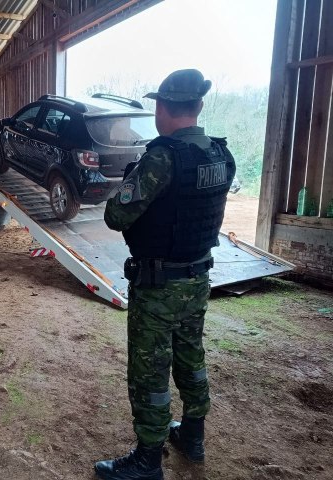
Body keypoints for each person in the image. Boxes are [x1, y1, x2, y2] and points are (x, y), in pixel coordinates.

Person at [94, 69, 236, 480]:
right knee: (191, 356)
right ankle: (192, 435)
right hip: (198, 279)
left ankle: (148, 459)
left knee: (150, 370)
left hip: (158, 286)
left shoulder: (162, 156)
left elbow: (116, 216)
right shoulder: (220, 154)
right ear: (199, 106)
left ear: (161, 107)